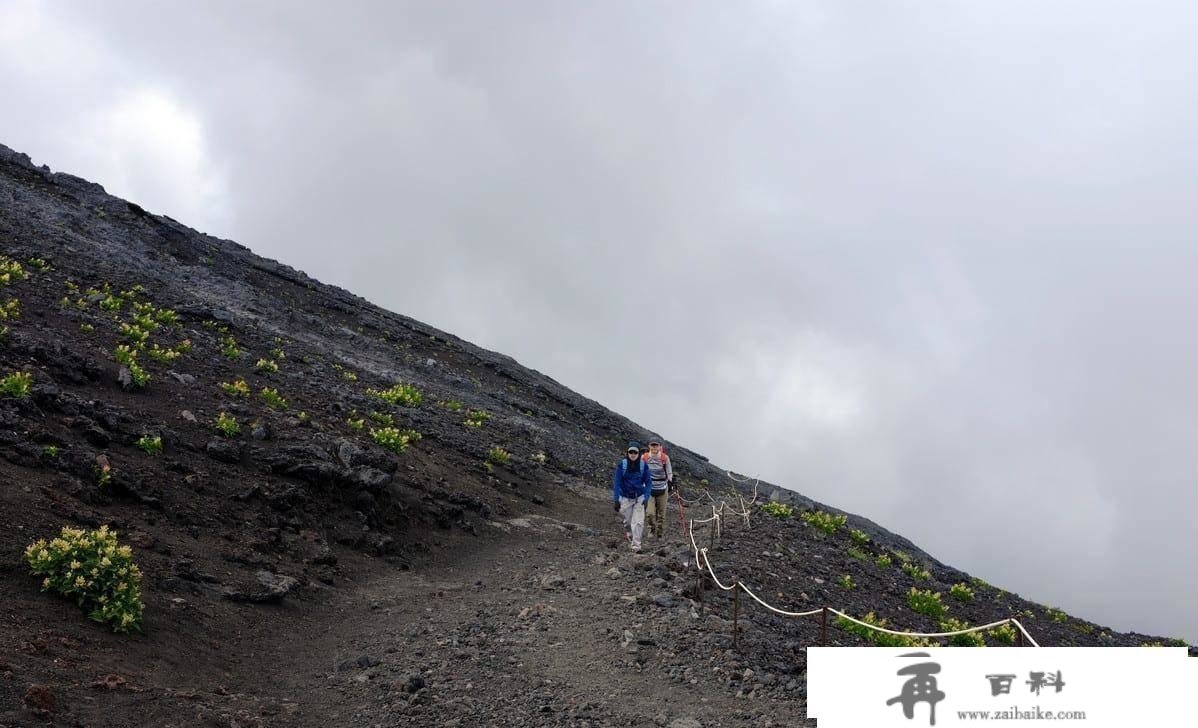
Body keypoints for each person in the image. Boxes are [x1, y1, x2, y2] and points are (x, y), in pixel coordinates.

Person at [612, 440, 652, 551]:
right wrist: (616, 500)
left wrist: (646, 497)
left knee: (638, 522)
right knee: (629, 521)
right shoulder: (622, 465)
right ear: (627, 453)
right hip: (625, 497)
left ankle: (636, 546)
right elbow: (616, 483)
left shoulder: (643, 466)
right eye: (631, 452)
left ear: (639, 453)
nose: (633, 454)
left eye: (635, 452)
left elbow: (648, 482)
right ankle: (628, 531)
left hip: (639, 497)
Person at [641, 440, 673, 539]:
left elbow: (669, 472)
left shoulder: (664, 458)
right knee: (650, 513)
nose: (654, 447)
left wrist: (670, 481)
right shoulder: (644, 457)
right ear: (649, 446)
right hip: (649, 489)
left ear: (660, 446)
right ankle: (651, 529)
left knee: (661, 514)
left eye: (656, 445)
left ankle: (660, 533)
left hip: (662, 488)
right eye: (652, 445)